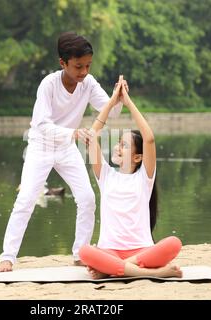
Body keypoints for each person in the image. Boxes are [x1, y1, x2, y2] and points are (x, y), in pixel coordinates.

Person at [0, 32, 126, 272]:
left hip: (66, 148)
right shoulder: (48, 84)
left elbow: (113, 113)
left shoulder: (88, 83)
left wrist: (119, 97)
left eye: (87, 66)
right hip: (41, 146)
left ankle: (80, 253)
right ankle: (8, 256)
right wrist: (73, 133)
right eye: (78, 66)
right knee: (26, 199)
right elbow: (42, 124)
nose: (84, 72)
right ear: (63, 63)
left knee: (87, 198)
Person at [79, 76, 183, 279]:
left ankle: (116, 269)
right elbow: (92, 137)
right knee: (85, 252)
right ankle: (155, 273)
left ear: (137, 156)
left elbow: (149, 138)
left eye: (124, 145)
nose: (117, 147)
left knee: (174, 243)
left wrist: (127, 102)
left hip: (142, 251)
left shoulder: (144, 178)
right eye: (118, 143)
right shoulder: (106, 175)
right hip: (110, 250)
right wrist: (112, 101)